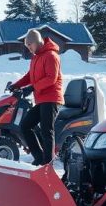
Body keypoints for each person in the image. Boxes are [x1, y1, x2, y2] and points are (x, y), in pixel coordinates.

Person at [9, 29, 64, 166]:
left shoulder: (51, 55)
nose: (29, 49)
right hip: (41, 99)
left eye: (30, 46)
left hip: (52, 98)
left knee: (47, 131)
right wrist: (16, 85)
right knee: (26, 126)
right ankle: (39, 158)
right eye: (27, 46)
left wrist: (32, 88)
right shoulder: (36, 57)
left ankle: (47, 164)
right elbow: (29, 77)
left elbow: (51, 78)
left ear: (38, 42)